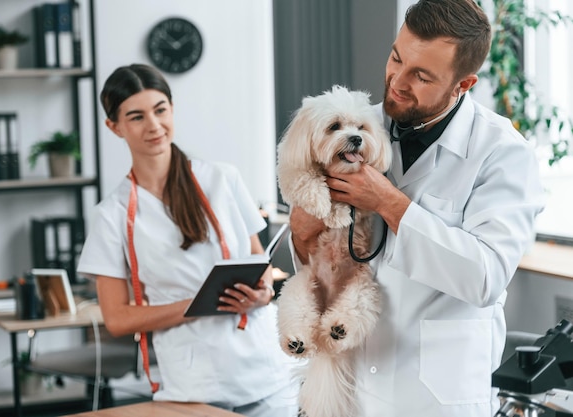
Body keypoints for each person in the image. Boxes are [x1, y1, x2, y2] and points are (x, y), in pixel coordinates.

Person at [288, 1, 544, 416]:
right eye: (396, 58)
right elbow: (313, 254)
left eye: (421, 76)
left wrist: (389, 203)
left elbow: (485, 277)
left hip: (430, 397)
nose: (397, 82)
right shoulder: (356, 126)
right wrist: (301, 232)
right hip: (343, 387)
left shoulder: (503, 154)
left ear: (464, 84)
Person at [77, 63, 298, 417]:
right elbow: (117, 319)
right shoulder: (112, 215)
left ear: (172, 109)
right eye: (136, 117)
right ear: (114, 127)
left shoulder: (223, 179)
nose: (153, 125)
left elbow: (261, 266)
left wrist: (262, 294)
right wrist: (196, 304)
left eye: (160, 110)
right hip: (193, 387)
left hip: (265, 373)